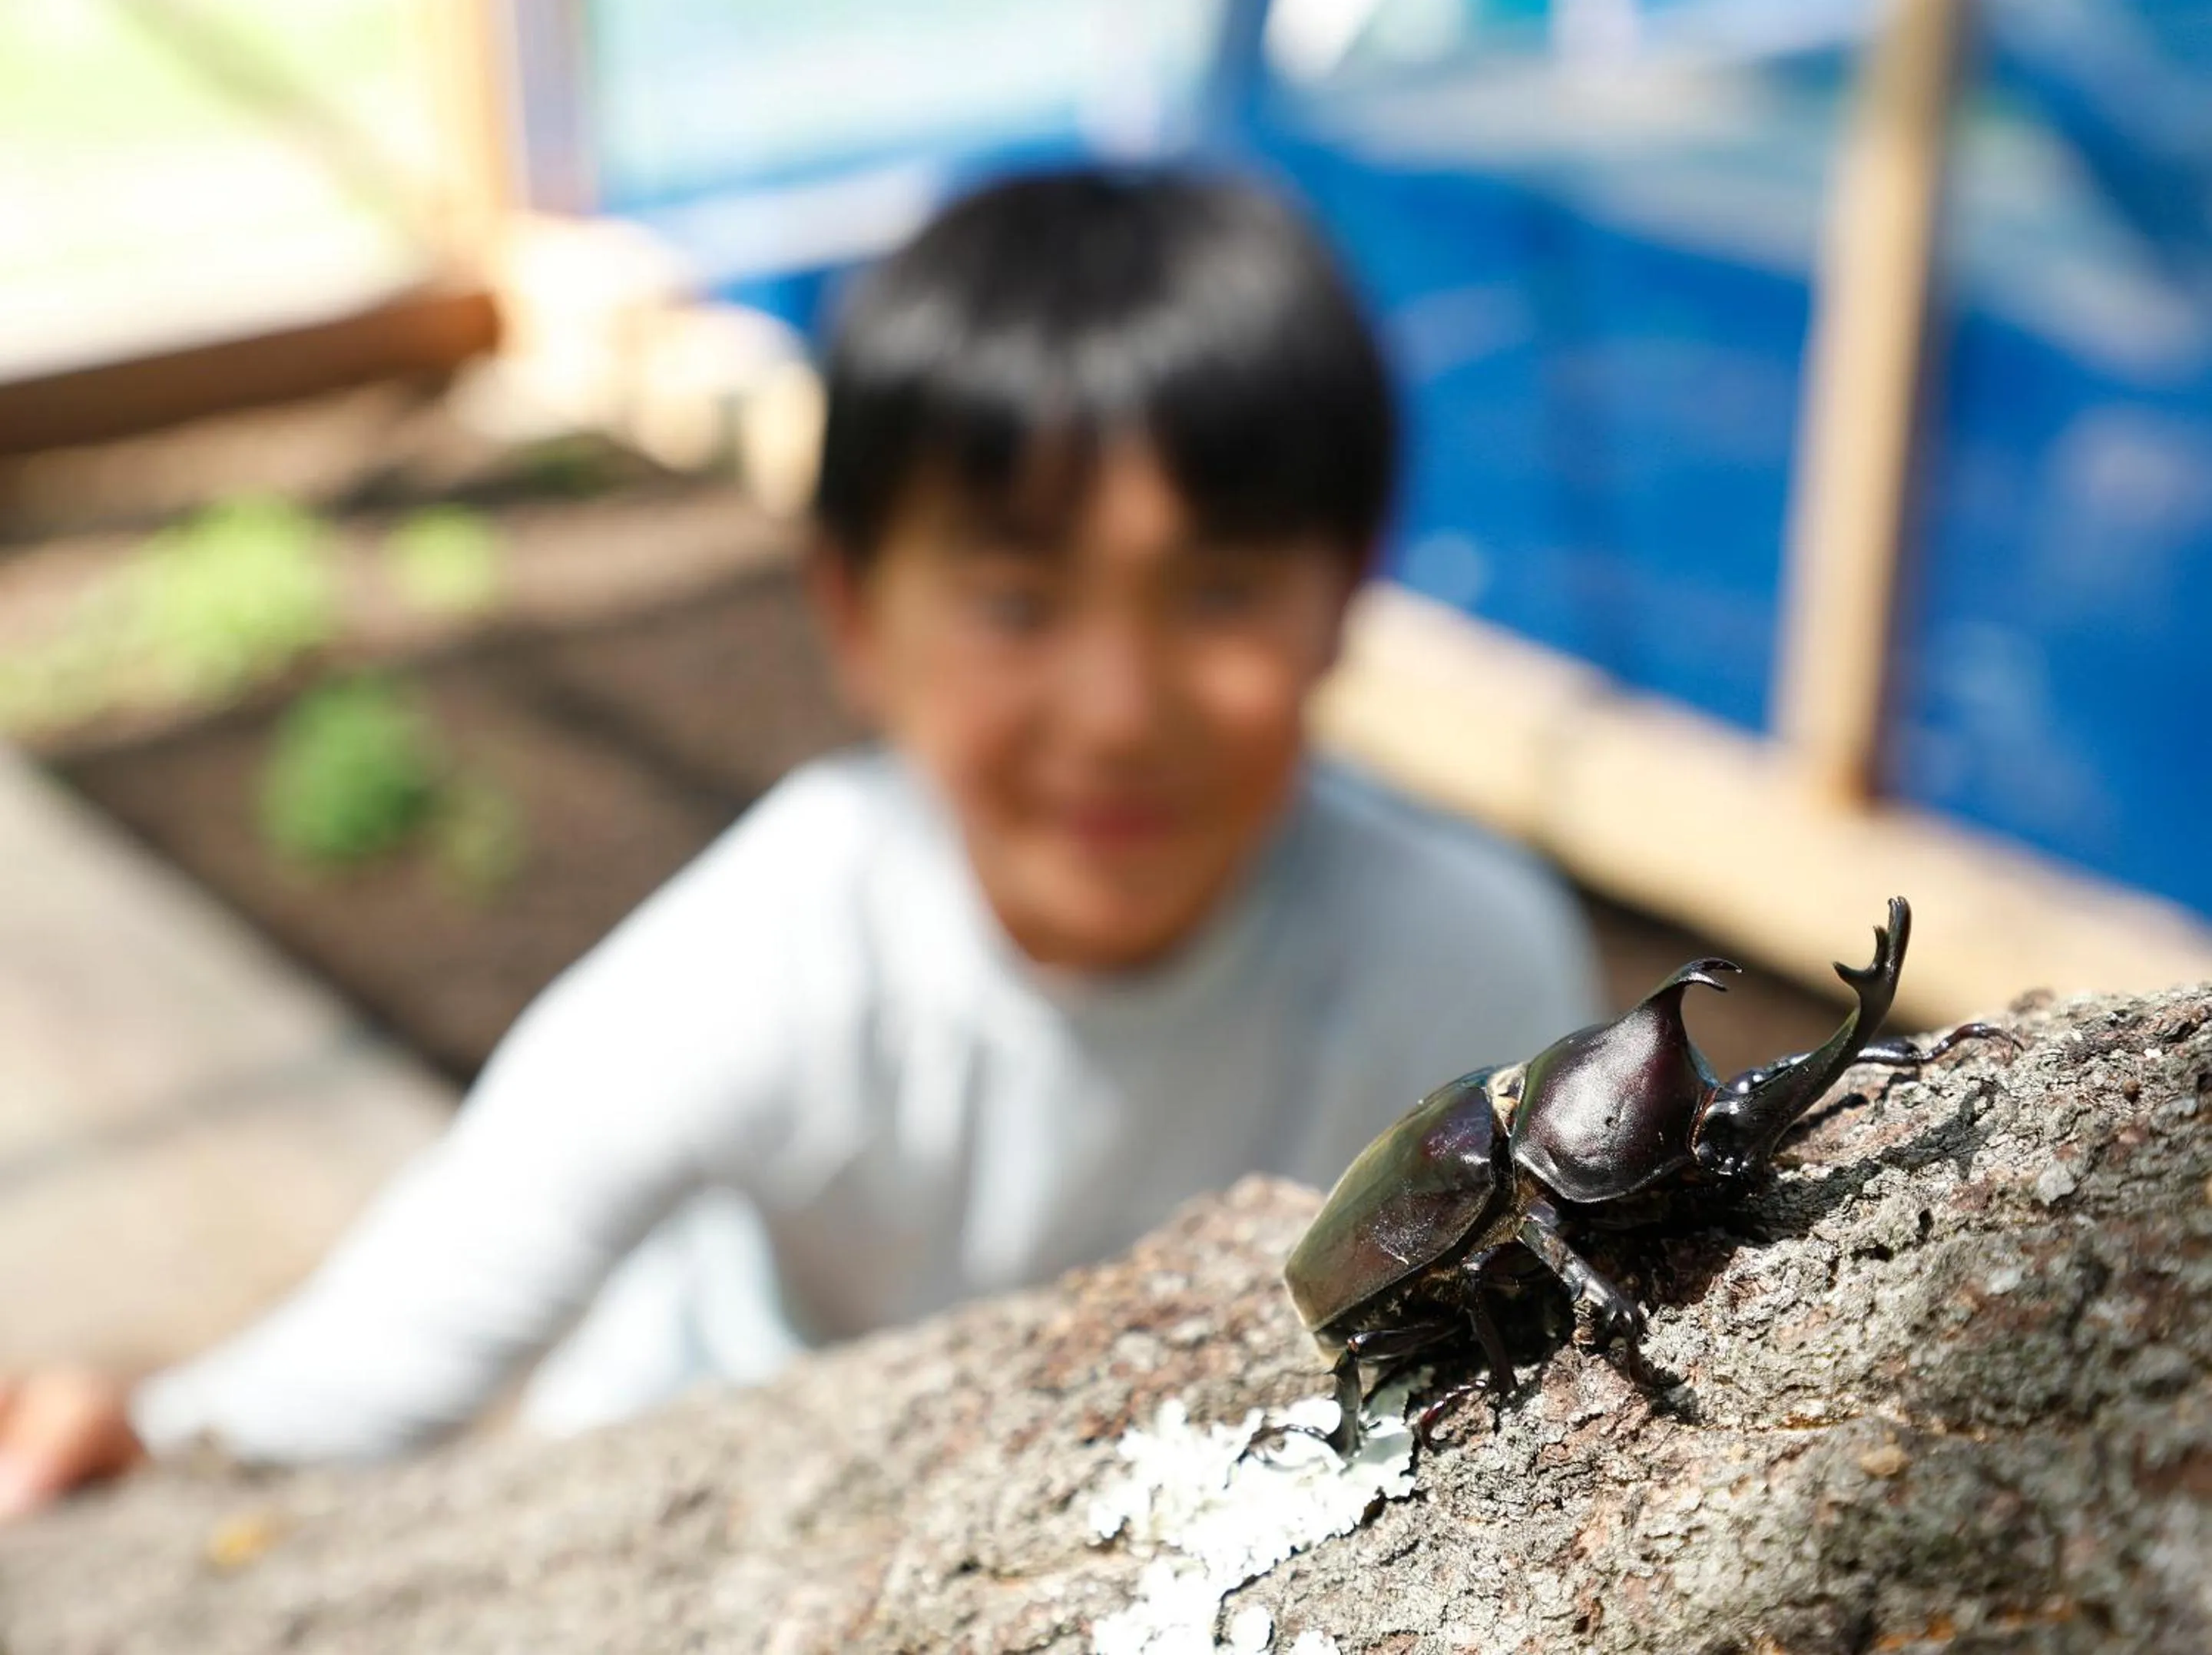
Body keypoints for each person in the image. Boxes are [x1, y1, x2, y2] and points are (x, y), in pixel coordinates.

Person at [0, 168, 1599, 1518]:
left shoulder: (1462, 957)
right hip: (714, 1497)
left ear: (1349, 593)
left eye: (1223, 591)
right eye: (1016, 600)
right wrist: (154, 1437)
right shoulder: (785, 938)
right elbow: (424, 1310)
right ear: (852, 608)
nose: (1119, 712)